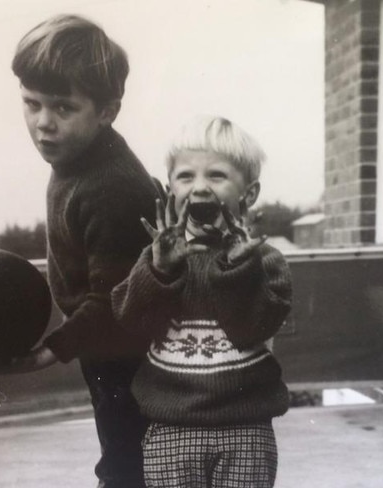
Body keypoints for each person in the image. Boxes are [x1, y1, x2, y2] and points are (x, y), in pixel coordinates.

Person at [0, 14, 159, 488]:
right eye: (31, 103)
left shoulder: (112, 188)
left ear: (107, 111)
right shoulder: (75, 158)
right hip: (106, 354)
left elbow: (114, 302)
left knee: (128, 468)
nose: (43, 124)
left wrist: (44, 353)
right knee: (122, 459)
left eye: (62, 107)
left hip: (135, 360)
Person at [111, 116, 293, 488]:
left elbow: (253, 327)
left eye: (217, 175)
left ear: (250, 193)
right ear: (169, 190)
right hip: (170, 428)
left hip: (246, 428)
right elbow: (130, 320)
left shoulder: (265, 259)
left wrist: (238, 266)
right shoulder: (157, 256)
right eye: (186, 176)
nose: (200, 187)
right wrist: (160, 271)